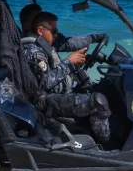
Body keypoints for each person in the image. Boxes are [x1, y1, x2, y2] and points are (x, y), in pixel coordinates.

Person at [23, 11, 111, 144]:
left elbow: (69, 43)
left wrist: (93, 39)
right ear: (40, 31)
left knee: (101, 89)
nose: (56, 34)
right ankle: (107, 146)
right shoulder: (33, 51)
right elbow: (45, 82)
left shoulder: (45, 44)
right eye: (54, 31)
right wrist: (69, 63)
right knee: (98, 102)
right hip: (46, 102)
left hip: (54, 94)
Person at [19, 3, 103, 54]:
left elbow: (67, 43)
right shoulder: (29, 47)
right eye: (36, 18)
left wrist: (93, 38)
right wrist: (69, 63)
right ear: (25, 23)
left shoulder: (48, 39)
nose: (40, 20)